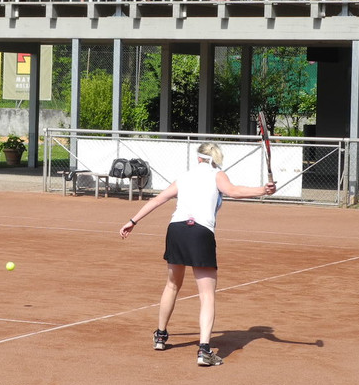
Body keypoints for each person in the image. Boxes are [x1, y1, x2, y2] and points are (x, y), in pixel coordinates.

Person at [119, 142, 277, 367]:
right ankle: (204, 350)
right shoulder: (217, 174)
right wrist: (263, 190)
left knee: (172, 285)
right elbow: (233, 191)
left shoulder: (184, 177)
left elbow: (157, 199)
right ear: (216, 158)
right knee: (207, 294)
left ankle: (160, 336)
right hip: (200, 232)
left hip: (176, 230)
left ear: (199, 158)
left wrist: (132, 221)